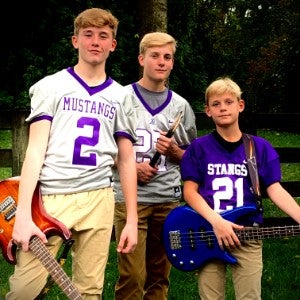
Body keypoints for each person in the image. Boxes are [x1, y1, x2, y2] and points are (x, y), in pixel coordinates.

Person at [6, 8, 138, 300]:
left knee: (89, 290)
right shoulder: (51, 86)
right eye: (88, 34)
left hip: (98, 197)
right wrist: (24, 215)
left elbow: (127, 159)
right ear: (75, 40)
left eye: (103, 36)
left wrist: (130, 219)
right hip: (51, 196)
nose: (95, 41)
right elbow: (35, 150)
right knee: (24, 290)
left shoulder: (122, 96)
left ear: (113, 45)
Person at [180, 77, 300, 300]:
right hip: (209, 232)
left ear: (240, 105)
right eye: (216, 104)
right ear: (207, 111)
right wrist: (217, 222)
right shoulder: (199, 148)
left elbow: (275, 189)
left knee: (250, 297)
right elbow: (189, 192)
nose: (223, 108)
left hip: (248, 233)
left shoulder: (259, 148)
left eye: (228, 101)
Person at [113, 32, 197, 300]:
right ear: (141, 59)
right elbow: (103, 149)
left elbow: (193, 159)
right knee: (132, 276)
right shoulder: (120, 98)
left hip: (167, 200)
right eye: (155, 56)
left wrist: (174, 150)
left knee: (159, 276)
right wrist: (131, 168)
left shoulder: (181, 106)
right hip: (129, 200)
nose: (161, 62)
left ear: (172, 63)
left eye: (167, 57)